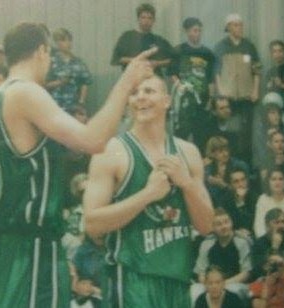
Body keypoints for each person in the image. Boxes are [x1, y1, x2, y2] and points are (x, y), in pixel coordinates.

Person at [0, 22, 156, 308]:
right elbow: (93, 141)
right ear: (42, 51)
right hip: (29, 246)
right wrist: (126, 82)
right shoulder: (26, 92)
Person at [83, 75, 214, 307]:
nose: (140, 97)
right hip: (133, 279)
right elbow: (92, 224)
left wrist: (187, 184)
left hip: (178, 280)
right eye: (134, 92)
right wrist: (148, 194)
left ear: (167, 100)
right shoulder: (112, 152)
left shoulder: (189, 152)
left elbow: (206, 226)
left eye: (149, 91)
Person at [214, 13, 262, 164]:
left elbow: (257, 70)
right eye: (235, 25)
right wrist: (221, 91)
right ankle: (229, 164)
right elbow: (216, 72)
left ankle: (245, 165)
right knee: (228, 132)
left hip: (246, 98)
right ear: (228, 27)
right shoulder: (221, 47)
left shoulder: (249, 46)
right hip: (228, 98)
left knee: (246, 134)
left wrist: (255, 90)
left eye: (240, 25)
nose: (239, 28)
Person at [169, 17, 215, 145]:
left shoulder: (207, 53)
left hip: (202, 98)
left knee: (201, 134)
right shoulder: (178, 50)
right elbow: (172, 73)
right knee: (181, 134)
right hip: (184, 99)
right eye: (195, 31)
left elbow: (210, 77)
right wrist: (179, 86)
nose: (197, 34)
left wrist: (211, 98)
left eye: (199, 31)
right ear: (187, 32)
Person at [192, 208, 251, 303]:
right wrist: (211, 285)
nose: (224, 226)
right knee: (194, 290)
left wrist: (222, 284)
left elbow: (246, 273)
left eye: (226, 222)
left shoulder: (242, 242)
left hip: (234, 283)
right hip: (211, 284)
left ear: (231, 223)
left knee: (233, 290)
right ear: (213, 227)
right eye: (219, 224)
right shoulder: (206, 244)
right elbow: (201, 272)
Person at [110, 3, 174, 76]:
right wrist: (136, 61)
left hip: (153, 80)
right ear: (138, 19)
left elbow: (173, 59)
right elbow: (116, 59)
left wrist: (157, 63)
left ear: (154, 20)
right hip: (132, 80)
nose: (146, 21)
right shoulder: (127, 37)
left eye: (150, 18)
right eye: (143, 17)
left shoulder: (159, 40)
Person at [45, 28, 92, 112]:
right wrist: (59, 83)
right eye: (63, 40)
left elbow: (85, 83)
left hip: (73, 106)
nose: (68, 43)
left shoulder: (78, 62)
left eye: (69, 40)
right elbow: (43, 84)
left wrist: (81, 102)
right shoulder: (50, 62)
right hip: (54, 107)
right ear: (57, 43)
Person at [253, 168, 284, 237]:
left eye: (281, 179)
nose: (277, 182)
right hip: (268, 241)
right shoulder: (262, 199)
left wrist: (277, 237)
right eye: (273, 179)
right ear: (268, 182)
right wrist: (267, 240)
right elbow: (259, 227)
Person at [252, 93, 284, 169]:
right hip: (264, 165)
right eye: (272, 113)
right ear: (266, 115)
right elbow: (260, 154)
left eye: (278, 113)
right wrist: (267, 138)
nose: (276, 116)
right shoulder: (260, 131)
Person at [204, 136, 249, 207]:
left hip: (237, 206)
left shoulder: (239, 165)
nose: (226, 154)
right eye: (221, 151)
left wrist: (223, 185)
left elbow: (243, 193)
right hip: (215, 209)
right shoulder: (208, 169)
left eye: (226, 150)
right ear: (212, 153)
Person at [221, 168, 259, 237]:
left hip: (252, 234)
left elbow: (253, 222)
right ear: (231, 185)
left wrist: (241, 202)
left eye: (243, 180)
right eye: (236, 181)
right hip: (233, 235)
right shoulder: (225, 200)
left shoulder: (255, 198)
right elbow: (227, 223)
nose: (241, 184)